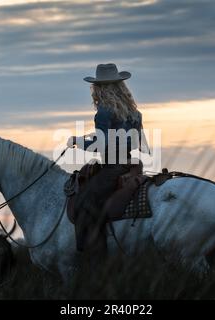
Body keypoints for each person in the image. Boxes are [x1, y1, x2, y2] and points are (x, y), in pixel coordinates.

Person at [66, 63, 147, 262]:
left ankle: (93, 255)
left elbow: (101, 144)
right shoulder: (134, 113)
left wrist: (78, 142)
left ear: (99, 88)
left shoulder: (103, 112)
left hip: (113, 168)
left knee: (85, 199)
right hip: (131, 164)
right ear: (121, 86)